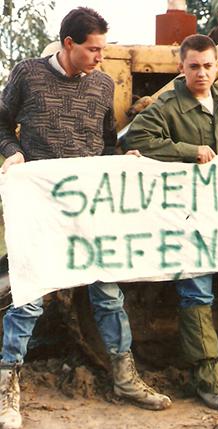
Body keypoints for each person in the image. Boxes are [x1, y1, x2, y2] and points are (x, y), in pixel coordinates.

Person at [0, 8, 171, 429]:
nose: (101, 56)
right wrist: (11, 152)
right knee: (28, 296)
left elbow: (106, 143)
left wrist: (122, 159)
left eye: (104, 48)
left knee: (108, 293)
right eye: (94, 49)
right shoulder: (27, 74)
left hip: (91, 207)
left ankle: (125, 377)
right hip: (40, 203)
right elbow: (1, 123)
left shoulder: (102, 85)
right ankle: (8, 387)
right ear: (69, 44)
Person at [124, 34, 218, 410]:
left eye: (207, 66)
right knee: (197, 292)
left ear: (216, 66)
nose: (201, 73)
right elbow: (138, 137)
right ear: (181, 68)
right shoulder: (167, 105)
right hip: (188, 221)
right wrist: (188, 152)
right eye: (193, 66)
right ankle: (207, 379)